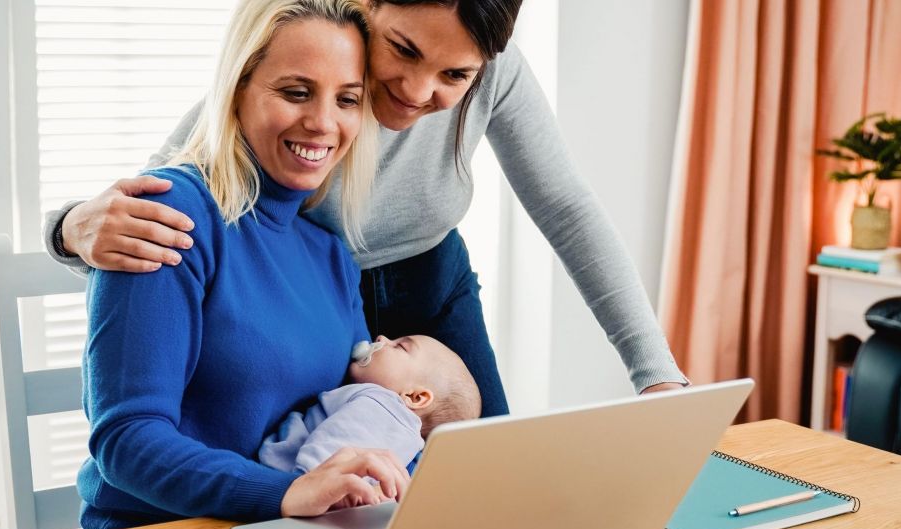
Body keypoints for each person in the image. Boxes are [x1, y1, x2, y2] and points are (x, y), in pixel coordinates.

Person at [47, 0, 689, 422]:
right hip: (307, 305)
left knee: (484, 486)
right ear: (367, 8)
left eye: (453, 75)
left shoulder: (493, 69)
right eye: (404, 51)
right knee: (317, 488)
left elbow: (567, 208)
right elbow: (171, 186)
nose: (416, 93)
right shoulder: (315, 53)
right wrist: (70, 229)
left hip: (432, 290)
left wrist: (656, 375)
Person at [79, 0, 412, 529]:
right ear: (236, 92)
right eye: (296, 92)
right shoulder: (170, 216)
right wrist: (285, 494)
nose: (323, 123)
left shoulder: (331, 255)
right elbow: (126, 441)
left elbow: (352, 412)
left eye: (347, 99)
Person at [259, 334, 481, 477]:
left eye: (400, 347)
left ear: (414, 397)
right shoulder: (409, 444)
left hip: (287, 481)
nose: (382, 338)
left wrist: (301, 485)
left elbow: (326, 465)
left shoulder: (381, 406)